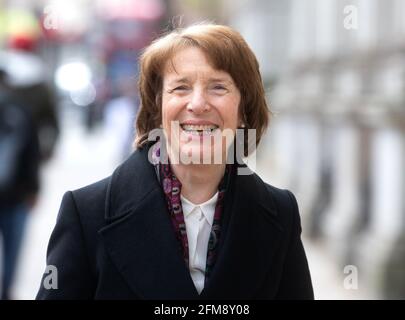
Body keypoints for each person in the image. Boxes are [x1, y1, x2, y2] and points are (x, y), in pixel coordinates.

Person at [36, 23, 314, 299]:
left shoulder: (281, 214)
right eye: (180, 88)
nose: (198, 103)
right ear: (157, 107)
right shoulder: (86, 214)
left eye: (218, 87)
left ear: (243, 109)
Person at [0, 68, 40, 300]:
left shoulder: (21, 111)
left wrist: (33, 189)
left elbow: (31, 153)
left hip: (17, 195)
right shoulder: (21, 109)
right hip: (17, 195)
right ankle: (6, 292)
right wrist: (33, 189)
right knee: (13, 250)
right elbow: (32, 153)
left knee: (14, 250)